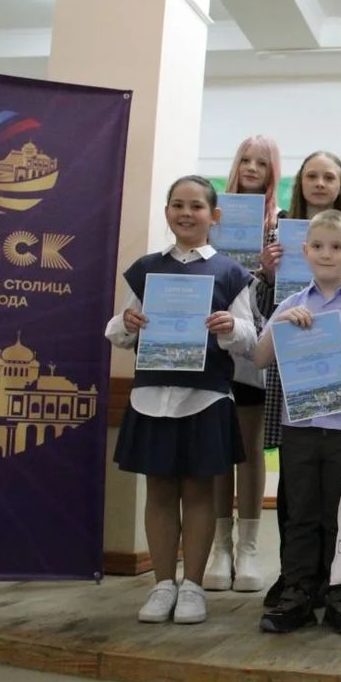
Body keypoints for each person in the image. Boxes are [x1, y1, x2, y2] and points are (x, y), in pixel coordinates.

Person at [107, 175, 256, 625]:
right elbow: (118, 331)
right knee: (158, 490)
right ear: (167, 212)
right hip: (152, 395)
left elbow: (250, 337)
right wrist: (129, 322)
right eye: (177, 205)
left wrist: (230, 327)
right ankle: (162, 585)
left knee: (198, 491)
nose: (186, 213)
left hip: (204, 397)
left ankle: (193, 586)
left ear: (214, 215)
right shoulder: (145, 269)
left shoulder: (230, 273)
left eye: (196, 206)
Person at [253, 150, 341, 608]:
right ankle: (297, 592)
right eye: (319, 247)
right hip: (300, 429)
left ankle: (338, 595)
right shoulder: (290, 305)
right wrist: (280, 325)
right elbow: (259, 358)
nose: (327, 254)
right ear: (304, 251)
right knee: (301, 515)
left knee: (339, 515)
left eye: (337, 248)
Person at [204, 135, 283, 593]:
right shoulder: (211, 218)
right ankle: (221, 547)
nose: (252, 168)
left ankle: (249, 548)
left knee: (250, 447)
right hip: (211, 343)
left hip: (255, 345)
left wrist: (269, 271)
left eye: (262, 163)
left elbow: (285, 292)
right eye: (245, 160)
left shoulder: (281, 226)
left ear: (273, 171)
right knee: (220, 445)